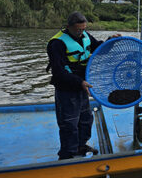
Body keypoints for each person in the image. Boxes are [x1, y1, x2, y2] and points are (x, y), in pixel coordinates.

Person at [47, 11, 121, 160]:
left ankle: (81, 145)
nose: (81, 33)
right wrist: (79, 82)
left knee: (86, 118)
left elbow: (97, 48)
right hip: (67, 89)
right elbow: (58, 72)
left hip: (83, 86)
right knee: (69, 123)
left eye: (83, 29)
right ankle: (67, 155)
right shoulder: (57, 43)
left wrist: (109, 41)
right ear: (68, 27)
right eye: (78, 30)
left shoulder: (85, 35)